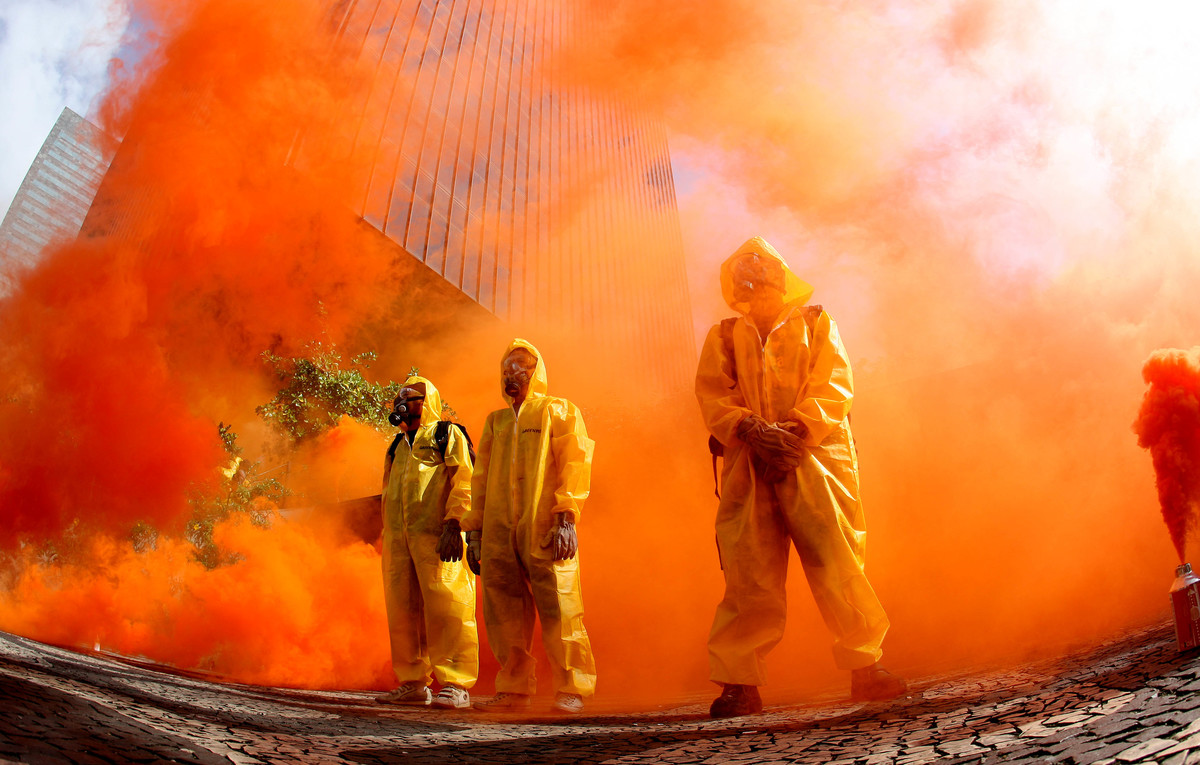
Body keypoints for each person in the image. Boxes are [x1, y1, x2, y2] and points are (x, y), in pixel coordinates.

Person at [695, 236, 907, 718]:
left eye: (763, 274)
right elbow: (712, 394)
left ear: (781, 278)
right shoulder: (724, 335)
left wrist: (794, 432)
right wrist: (749, 427)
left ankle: (865, 667)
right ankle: (739, 683)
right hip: (750, 464)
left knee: (837, 561)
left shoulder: (816, 322)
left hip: (813, 461)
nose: (755, 284)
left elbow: (834, 384)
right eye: (745, 278)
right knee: (750, 575)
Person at [463, 339, 597, 714]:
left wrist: (567, 515)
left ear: (536, 371)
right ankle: (514, 688)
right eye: (507, 366)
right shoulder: (496, 422)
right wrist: (474, 532)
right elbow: (481, 478)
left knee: (560, 605)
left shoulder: (559, 410)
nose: (512, 372)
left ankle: (573, 687)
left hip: (545, 526)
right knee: (503, 610)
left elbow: (576, 461)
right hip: (499, 531)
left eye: (521, 364)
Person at [375, 375, 479, 709]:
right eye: (400, 397)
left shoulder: (445, 434)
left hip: (438, 537)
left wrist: (454, 523)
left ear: (428, 400)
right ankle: (413, 682)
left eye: (412, 397)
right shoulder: (396, 445)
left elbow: (465, 479)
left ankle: (456, 683)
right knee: (403, 610)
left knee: (448, 606)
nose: (402, 402)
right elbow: (389, 494)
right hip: (400, 542)